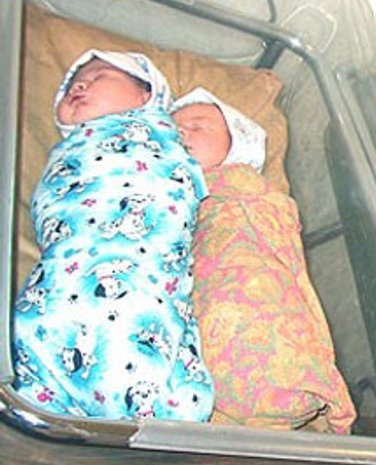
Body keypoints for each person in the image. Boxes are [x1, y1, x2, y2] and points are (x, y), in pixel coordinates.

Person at [13, 50, 214, 421]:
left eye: (99, 76)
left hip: (139, 269)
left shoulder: (163, 132)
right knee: (38, 325)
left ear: (145, 94)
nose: (79, 85)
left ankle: (152, 406)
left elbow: (225, 147)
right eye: (72, 86)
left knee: (138, 326)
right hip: (65, 271)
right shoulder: (71, 147)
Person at [171, 88, 356, 432]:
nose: (180, 132)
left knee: (247, 307)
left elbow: (278, 245)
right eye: (172, 128)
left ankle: (271, 387)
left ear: (237, 147)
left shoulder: (245, 188)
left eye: (197, 125)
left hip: (244, 288)